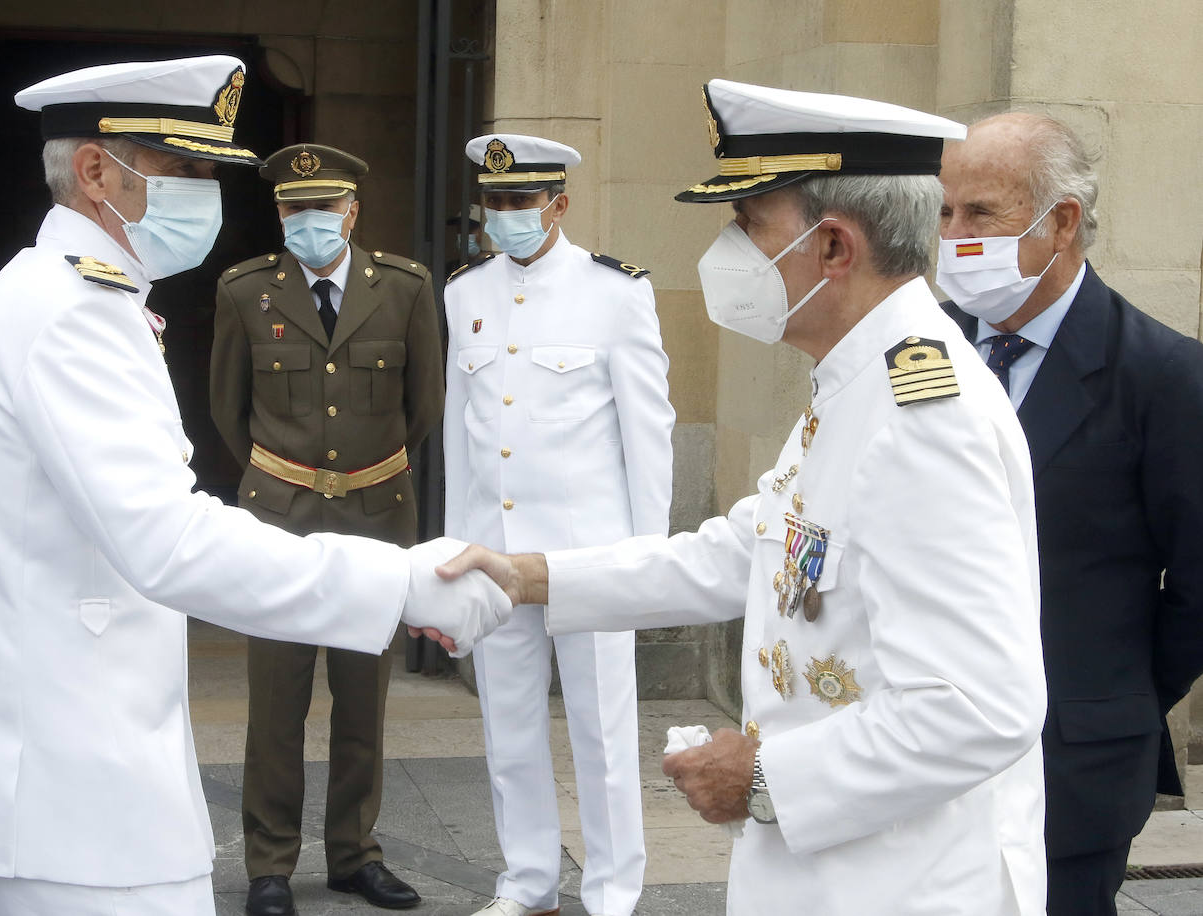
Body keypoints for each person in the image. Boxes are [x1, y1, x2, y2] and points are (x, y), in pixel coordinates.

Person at [428, 80, 1048, 915]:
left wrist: (761, 777)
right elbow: (749, 547)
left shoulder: (920, 416)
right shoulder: (856, 379)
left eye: (747, 225)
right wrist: (525, 575)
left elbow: (980, 708)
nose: (726, 253)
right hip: (832, 871)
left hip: (900, 883)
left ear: (833, 248)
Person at [0, 55, 508, 916]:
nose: (206, 194)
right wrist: (403, 580)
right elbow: (172, 539)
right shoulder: (73, 317)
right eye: (185, 169)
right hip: (76, 793)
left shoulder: (67, 297)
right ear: (95, 172)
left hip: (71, 781)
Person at [936, 112, 1203, 916]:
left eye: (981, 213)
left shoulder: (1163, 375)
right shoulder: (920, 349)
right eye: (944, 213)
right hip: (918, 758)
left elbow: (1196, 590)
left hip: (1070, 770)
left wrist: (1110, 695)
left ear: (1062, 223)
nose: (954, 236)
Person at [210, 143, 444, 915]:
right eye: (293, 209)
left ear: (353, 211)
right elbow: (226, 408)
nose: (309, 222)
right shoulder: (246, 291)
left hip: (377, 517)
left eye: (323, 208)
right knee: (275, 704)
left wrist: (364, 476)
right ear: (279, 214)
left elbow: (423, 408)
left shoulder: (404, 288)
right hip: (279, 523)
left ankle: (354, 853)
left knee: (361, 699)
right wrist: (286, 481)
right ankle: (270, 864)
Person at [443, 133, 675, 916]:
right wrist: (455, 548)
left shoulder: (616, 292)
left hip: (591, 556)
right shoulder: (464, 293)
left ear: (558, 205)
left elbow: (648, 434)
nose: (503, 216)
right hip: (495, 552)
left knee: (603, 736)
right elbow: (459, 430)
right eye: (493, 204)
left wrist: (650, 561)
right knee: (508, 728)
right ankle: (528, 882)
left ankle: (613, 892)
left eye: (520, 202)